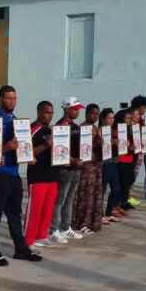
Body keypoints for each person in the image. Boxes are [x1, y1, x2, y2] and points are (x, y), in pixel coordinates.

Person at [0, 85, 41, 265]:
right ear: (0, 99)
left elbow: (21, 147)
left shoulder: (17, 121)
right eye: (8, 98)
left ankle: (20, 248)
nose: (12, 102)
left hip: (14, 173)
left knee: (15, 214)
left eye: (14, 98)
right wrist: (7, 147)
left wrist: (27, 155)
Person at [22, 101, 58, 257]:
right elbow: (26, 151)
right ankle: (27, 241)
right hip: (37, 176)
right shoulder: (32, 129)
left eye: (51, 113)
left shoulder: (52, 130)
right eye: (46, 112)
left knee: (47, 209)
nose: (49, 116)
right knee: (34, 210)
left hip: (52, 174)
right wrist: (45, 145)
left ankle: (41, 235)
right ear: (39, 111)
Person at [48, 96, 84, 243]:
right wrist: (71, 160)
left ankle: (65, 227)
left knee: (70, 199)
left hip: (76, 168)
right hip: (64, 169)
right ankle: (53, 229)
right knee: (59, 200)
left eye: (78, 109)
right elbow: (58, 148)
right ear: (67, 109)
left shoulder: (76, 127)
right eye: (75, 109)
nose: (78, 112)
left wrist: (81, 158)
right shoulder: (59, 126)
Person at [72, 104, 103, 234]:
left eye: (97, 114)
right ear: (86, 113)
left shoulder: (96, 128)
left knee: (94, 194)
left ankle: (92, 222)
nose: (94, 116)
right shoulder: (83, 128)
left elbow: (101, 146)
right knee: (85, 195)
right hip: (86, 166)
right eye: (92, 113)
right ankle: (81, 222)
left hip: (96, 166)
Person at [99, 108, 121, 223]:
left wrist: (121, 143)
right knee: (102, 190)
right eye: (109, 118)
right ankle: (100, 214)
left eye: (113, 118)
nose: (112, 120)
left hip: (114, 162)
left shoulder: (112, 130)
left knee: (116, 189)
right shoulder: (100, 130)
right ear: (103, 119)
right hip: (105, 163)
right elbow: (99, 145)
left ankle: (108, 212)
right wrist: (112, 143)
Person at [129, 95, 146, 206]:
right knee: (130, 174)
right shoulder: (131, 120)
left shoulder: (143, 120)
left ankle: (130, 195)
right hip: (132, 152)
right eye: (143, 108)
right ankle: (126, 196)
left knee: (135, 174)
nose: (144, 110)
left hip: (140, 151)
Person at [115, 108, 137, 211]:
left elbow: (131, 143)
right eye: (127, 118)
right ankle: (119, 203)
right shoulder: (116, 131)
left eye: (129, 118)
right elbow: (119, 146)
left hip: (130, 158)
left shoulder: (129, 130)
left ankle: (124, 201)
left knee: (130, 180)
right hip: (121, 159)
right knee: (122, 183)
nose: (129, 120)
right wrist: (128, 147)